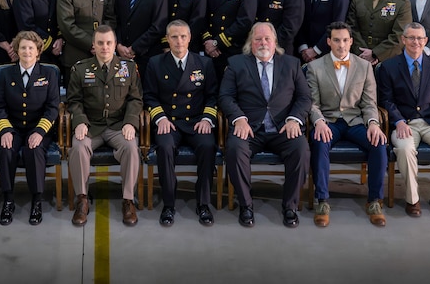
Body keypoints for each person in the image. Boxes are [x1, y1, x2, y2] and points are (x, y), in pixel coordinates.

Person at [219, 22, 310, 228]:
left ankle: (290, 206)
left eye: (267, 38)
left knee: (301, 149)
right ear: (250, 43)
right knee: (235, 149)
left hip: (283, 128)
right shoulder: (236, 64)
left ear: (275, 42)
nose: (263, 43)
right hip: (250, 128)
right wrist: (239, 118)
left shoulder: (291, 64)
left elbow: (304, 98)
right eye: (258, 39)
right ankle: (246, 205)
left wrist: (294, 119)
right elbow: (225, 97)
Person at [306, 22, 388, 227]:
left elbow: (369, 103)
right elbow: (312, 103)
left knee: (379, 143)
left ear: (351, 41)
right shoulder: (315, 67)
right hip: (329, 122)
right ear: (328, 42)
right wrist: (319, 122)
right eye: (336, 40)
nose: (341, 45)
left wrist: (373, 123)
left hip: (355, 121)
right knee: (318, 142)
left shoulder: (365, 66)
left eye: (345, 40)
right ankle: (322, 201)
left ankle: (374, 200)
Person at [377, 23, 430, 218]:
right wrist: (398, 121)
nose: (416, 42)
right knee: (405, 149)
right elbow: (386, 100)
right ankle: (412, 199)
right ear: (403, 40)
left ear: (425, 41)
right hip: (404, 123)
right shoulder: (389, 67)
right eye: (411, 37)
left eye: (420, 38)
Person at [65, 25, 143, 227]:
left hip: (118, 125)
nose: (105, 47)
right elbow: (74, 101)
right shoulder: (80, 69)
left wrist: (130, 122)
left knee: (131, 148)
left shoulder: (128, 68)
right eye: (100, 43)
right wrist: (79, 121)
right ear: (93, 45)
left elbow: (135, 99)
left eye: (109, 43)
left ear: (115, 44)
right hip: (92, 125)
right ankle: (82, 199)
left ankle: (128, 200)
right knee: (78, 147)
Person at [143, 20, 218, 227]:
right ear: (167, 39)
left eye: (183, 36)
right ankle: (168, 204)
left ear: (190, 38)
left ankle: (203, 204)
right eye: (174, 37)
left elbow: (212, 96)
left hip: (196, 121)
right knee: (165, 147)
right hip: (169, 122)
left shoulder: (204, 63)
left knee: (208, 146)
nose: (179, 41)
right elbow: (149, 96)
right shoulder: (156, 63)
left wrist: (207, 119)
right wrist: (160, 118)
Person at [0, 31, 61, 226]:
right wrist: (5, 130)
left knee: (34, 150)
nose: (27, 51)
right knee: (5, 150)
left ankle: (37, 201)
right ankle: (8, 200)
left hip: (38, 128)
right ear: (17, 50)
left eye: (31, 48)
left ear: (38, 51)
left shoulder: (48, 74)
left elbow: (53, 108)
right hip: (13, 127)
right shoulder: (6, 74)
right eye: (23, 47)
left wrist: (39, 132)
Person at [347, 0, 412, 65]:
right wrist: (362, 53)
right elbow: (351, 28)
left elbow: (399, 36)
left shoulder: (402, 3)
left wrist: (375, 53)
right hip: (359, 58)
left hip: (388, 61)